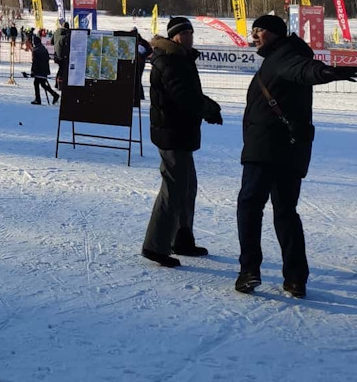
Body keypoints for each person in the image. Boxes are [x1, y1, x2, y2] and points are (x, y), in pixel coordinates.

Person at [234, 15, 357, 298]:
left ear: (275, 34)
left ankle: (250, 270)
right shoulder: (281, 55)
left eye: (259, 30)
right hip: (289, 149)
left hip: (267, 150)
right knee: (285, 212)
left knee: (251, 206)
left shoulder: (284, 56)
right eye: (253, 30)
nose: (254, 36)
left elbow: (303, 70)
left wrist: (326, 73)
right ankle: (295, 278)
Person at [142, 17, 223, 268]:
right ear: (174, 36)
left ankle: (182, 238)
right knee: (174, 188)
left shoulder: (179, 58)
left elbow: (190, 94)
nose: (189, 37)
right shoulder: (170, 61)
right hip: (172, 133)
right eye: (184, 33)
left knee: (187, 186)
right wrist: (209, 109)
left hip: (180, 133)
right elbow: (185, 97)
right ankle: (155, 246)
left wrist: (208, 107)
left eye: (191, 32)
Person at [30, 35, 59, 104]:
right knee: (43, 84)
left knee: (36, 83)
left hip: (38, 70)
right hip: (45, 70)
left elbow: (35, 62)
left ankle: (38, 99)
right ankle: (54, 94)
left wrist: (33, 71)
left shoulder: (35, 50)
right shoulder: (44, 48)